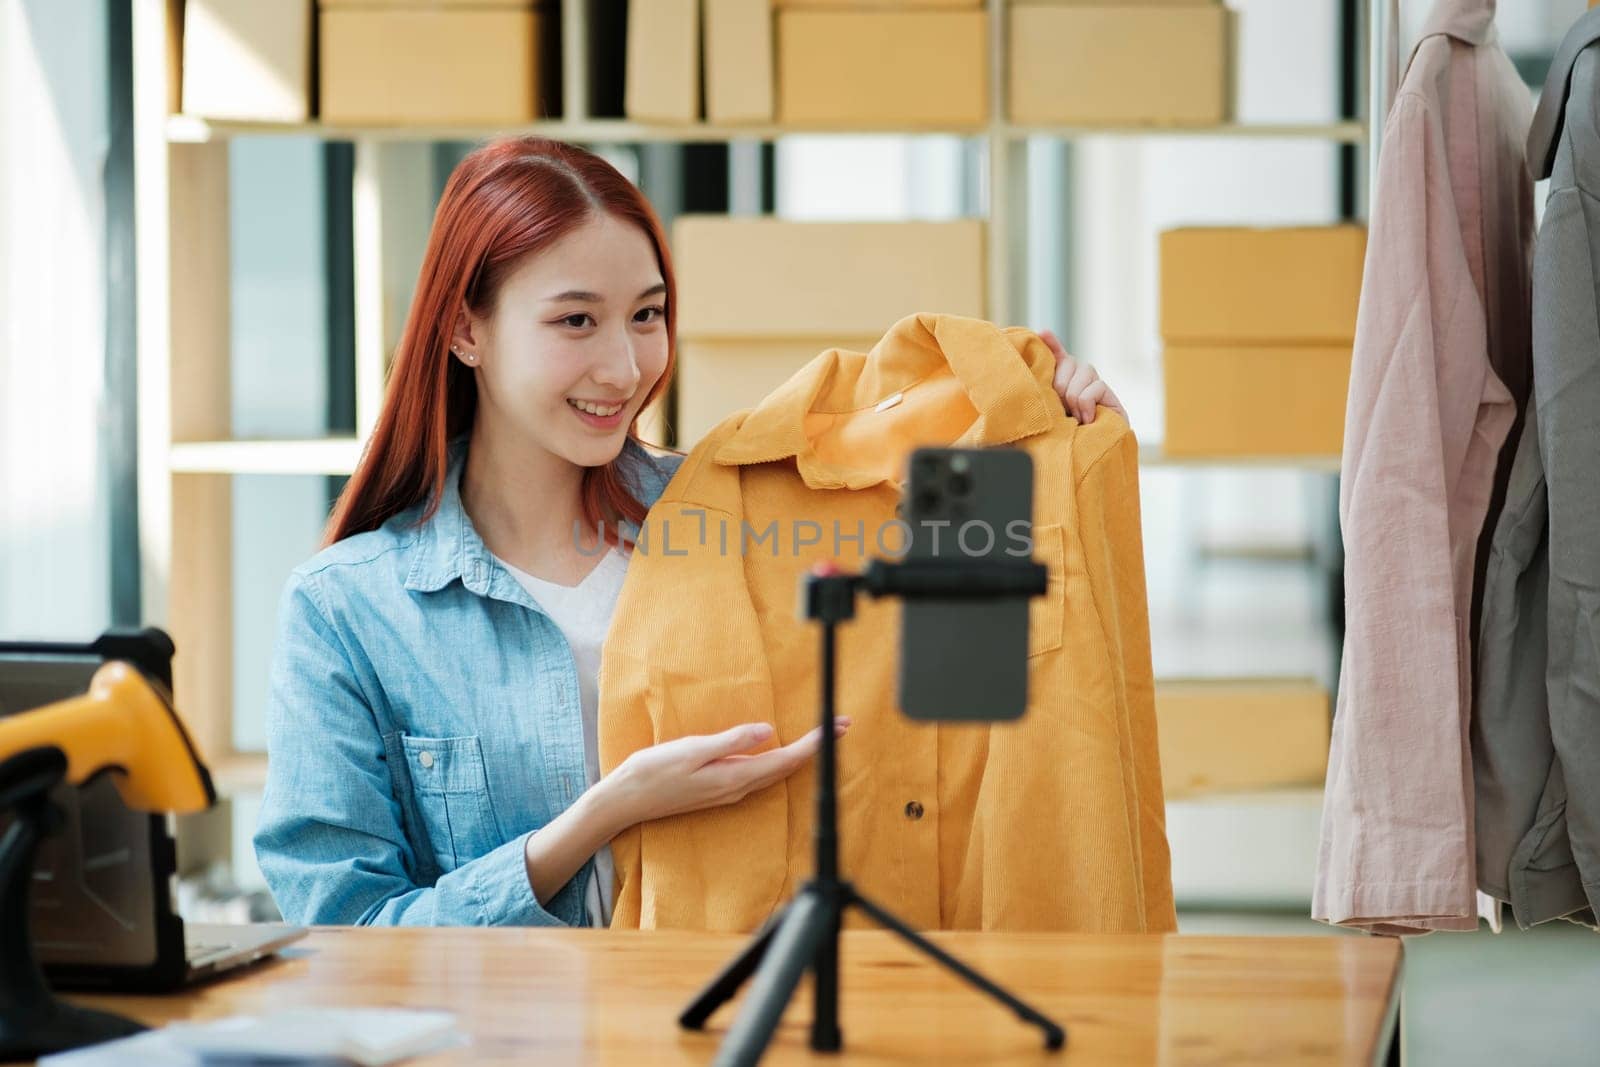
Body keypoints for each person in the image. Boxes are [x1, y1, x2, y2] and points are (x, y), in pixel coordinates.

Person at [253, 136, 1124, 928]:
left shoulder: (737, 512)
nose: (626, 367)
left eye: (646, 313)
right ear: (464, 329)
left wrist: (1045, 434)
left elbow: (964, 637)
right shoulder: (347, 610)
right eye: (575, 319)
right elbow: (345, 934)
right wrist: (608, 810)